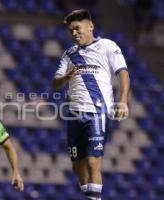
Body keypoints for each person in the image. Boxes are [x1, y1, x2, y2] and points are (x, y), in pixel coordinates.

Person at [53, 9, 130, 200]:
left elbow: (123, 73)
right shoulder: (69, 54)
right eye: (71, 30)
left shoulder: (107, 46)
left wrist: (123, 101)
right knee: (77, 164)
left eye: (77, 28)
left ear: (90, 26)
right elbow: (55, 83)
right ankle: (91, 196)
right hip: (73, 113)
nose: (74, 33)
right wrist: (66, 77)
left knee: (93, 161)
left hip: (97, 111)